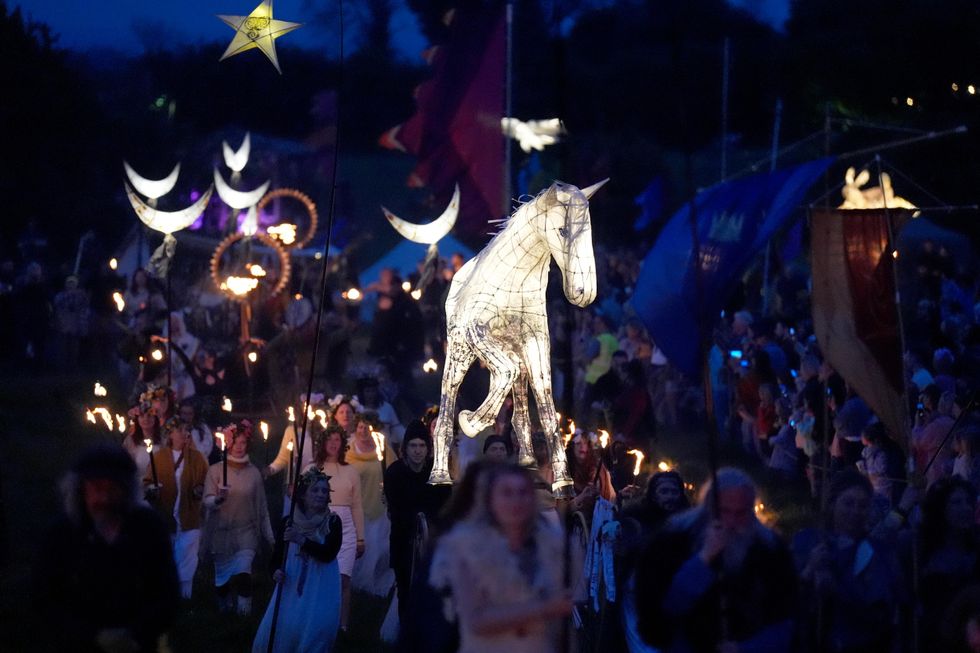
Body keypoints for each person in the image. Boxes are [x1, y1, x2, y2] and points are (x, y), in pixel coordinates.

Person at [34, 443, 180, 652]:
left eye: (113, 488)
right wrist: (91, 636)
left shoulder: (148, 528)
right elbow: (45, 599)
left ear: (127, 489)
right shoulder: (62, 534)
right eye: (96, 488)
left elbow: (167, 594)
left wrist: (135, 633)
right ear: (81, 489)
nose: (104, 498)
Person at [635, 467, 797, 653]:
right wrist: (704, 560)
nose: (732, 523)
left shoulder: (770, 549)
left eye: (740, 513)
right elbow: (663, 610)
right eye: (725, 512)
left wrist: (745, 649)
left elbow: (785, 618)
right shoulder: (673, 541)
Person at [429, 464, 571, 653]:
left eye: (523, 492)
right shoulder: (465, 546)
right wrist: (544, 609)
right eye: (507, 493)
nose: (516, 501)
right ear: (490, 499)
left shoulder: (549, 544)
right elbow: (476, 619)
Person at [792, 470, 905, 653]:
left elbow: (878, 612)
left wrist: (837, 589)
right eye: (848, 503)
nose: (855, 511)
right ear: (832, 504)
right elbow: (785, 601)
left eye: (862, 505)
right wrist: (809, 571)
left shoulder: (876, 552)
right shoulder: (807, 541)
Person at [252, 469, 343, 653]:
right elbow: (277, 557)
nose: (320, 494)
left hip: (319, 583)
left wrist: (302, 540)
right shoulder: (289, 522)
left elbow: (329, 553)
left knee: (315, 626)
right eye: (315, 490)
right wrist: (275, 571)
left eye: (324, 491)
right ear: (303, 494)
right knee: (287, 625)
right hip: (291, 584)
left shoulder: (332, 522)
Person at [203, 420, 274, 614]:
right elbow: (207, 500)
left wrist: (271, 538)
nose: (239, 447)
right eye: (235, 443)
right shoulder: (216, 470)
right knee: (222, 581)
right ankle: (224, 612)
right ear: (227, 444)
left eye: (243, 443)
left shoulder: (253, 474)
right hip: (222, 534)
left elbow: (262, 506)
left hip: (246, 533)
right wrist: (217, 499)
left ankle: (244, 615)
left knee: (244, 573)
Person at [384, 420, 451, 622]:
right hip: (404, 540)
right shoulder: (395, 472)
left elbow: (445, 507)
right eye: (413, 445)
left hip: (432, 543)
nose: (417, 451)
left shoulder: (438, 473)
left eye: (422, 446)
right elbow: (395, 508)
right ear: (405, 448)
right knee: (405, 590)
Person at [145, 417, 210, 599]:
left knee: (188, 556)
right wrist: (152, 490)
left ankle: (186, 597)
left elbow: (204, 481)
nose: (184, 433)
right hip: (166, 516)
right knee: (168, 557)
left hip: (189, 515)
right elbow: (148, 482)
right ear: (170, 434)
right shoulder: (159, 458)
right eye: (179, 430)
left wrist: (199, 490)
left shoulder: (196, 458)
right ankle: (167, 597)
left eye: (185, 430)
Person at [312, 424, 364, 632]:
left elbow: (357, 506)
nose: (333, 444)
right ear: (323, 443)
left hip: (346, 529)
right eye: (329, 440)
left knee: (343, 579)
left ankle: (342, 625)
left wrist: (361, 537)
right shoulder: (312, 469)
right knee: (321, 578)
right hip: (320, 525)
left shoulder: (351, 471)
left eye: (337, 440)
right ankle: (319, 619)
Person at [347, 413, 397, 597]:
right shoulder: (348, 450)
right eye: (360, 427)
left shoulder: (383, 449)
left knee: (377, 547)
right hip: (356, 508)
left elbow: (394, 470)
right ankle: (355, 585)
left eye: (367, 427)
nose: (363, 431)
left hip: (379, 507)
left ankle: (374, 584)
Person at [178, 398, 214, 462]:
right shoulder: (174, 427)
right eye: (184, 413)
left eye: (189, 414)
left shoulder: (203, 428)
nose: (186, 417)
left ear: (194, 414)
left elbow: (207, 450)